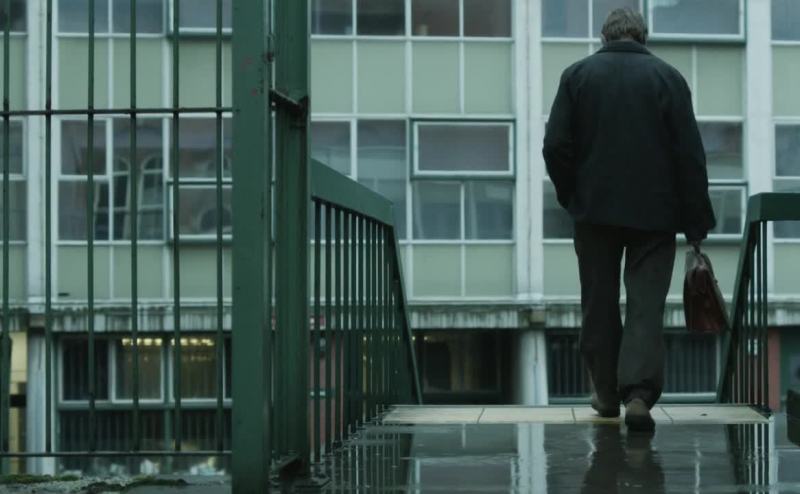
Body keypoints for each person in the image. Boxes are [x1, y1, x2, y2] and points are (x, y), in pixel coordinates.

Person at [542, 8, 716, 431]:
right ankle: (638, 394)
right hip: (655, 215)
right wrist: (695, 224)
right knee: (645, 306)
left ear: (604, 37)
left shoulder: (577, 76)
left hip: (594, 212)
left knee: (598, 301)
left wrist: (572, 195)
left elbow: (555, 146)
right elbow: (689, 157)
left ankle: (605, 393)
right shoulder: (669, 79)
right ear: (643, 36)